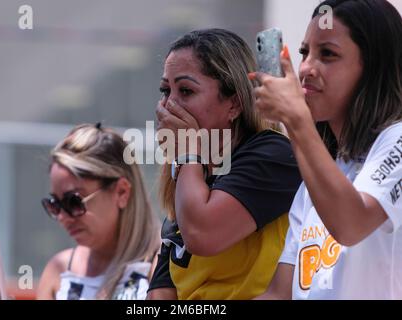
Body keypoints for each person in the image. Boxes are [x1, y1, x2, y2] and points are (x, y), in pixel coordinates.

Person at [252, 0, 402, 299]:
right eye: (304, 52)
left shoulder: (397, 139)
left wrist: (296, 120)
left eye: (328, 54)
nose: (306, 68)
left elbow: (351, 224)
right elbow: (280, 293)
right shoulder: (316, 181)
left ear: (373, 67)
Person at [147, 28, 302, 300]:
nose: (168, 105)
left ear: (235, 104)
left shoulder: (274, 154)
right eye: (164, 90)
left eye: (185, 90)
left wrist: (187, 154)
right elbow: (159, 296)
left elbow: (203, 234)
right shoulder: (188, 179)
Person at [0, 123, 160, 300]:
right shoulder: (58, 271)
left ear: (122, 192)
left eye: (74, 202)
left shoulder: (162, 264)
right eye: (54, 204)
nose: (62, 217)